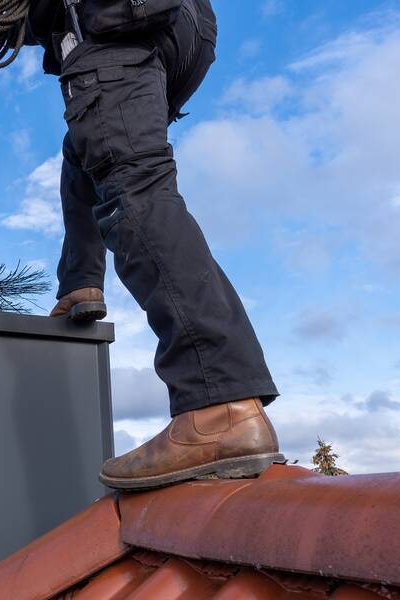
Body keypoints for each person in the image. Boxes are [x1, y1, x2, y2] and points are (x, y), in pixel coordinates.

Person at [26, 0, 285, 489]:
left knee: (133, 185)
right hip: (182, 27)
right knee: (85, 146)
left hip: (111, 20)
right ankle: (80, 281)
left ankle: (219, 406)